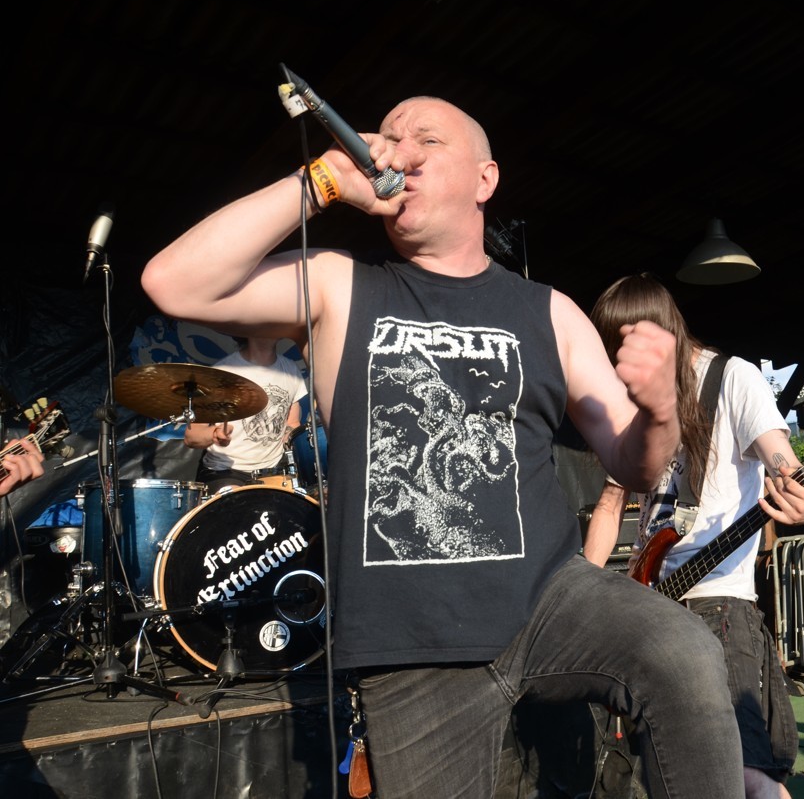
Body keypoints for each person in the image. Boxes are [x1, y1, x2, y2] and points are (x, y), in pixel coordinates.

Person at [142, 96, 744, 797]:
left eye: (426, 139)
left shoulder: (549, 310)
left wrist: (661, 413)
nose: (398, 152)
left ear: (486, 179)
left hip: (549, 598)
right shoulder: (340, 284)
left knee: (682, 649)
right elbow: (173, 282)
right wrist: (323, 179)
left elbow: (632, 463)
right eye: (389, 138)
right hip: (410, 636)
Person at [584, 274, 804, 799]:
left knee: (745, 771)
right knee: (666, 770)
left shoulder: (732, 378)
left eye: (626, 348)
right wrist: (583, 593)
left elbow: (784, 462)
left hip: (717, 602)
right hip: (651, 604)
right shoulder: (638, 399)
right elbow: (610, 504)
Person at [183, 336, 307, 495]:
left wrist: (295, 437)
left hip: (273, 470)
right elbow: (191, 436)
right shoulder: (222, 372)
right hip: (225, 471)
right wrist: (214, 434)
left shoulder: (290, 370)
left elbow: (293, 423)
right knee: (241, 502)